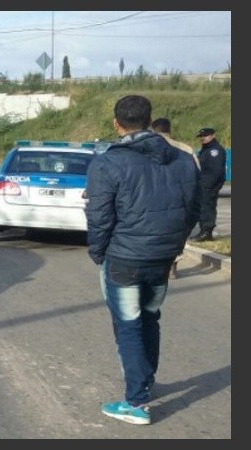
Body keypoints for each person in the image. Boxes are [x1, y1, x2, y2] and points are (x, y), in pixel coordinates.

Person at [85, 95, 200, 425]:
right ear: (150, 121)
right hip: (163, 256)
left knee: (129, 324)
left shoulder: (108, 162)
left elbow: (99, 216)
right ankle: (144, 381)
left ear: (116, 124)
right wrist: (176, 244)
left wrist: (98, 252)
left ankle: (136, 402)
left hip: (125, 256)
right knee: (149, 318)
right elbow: (193, 208)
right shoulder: (181, 159)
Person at [150, 117, 200, 278]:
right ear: (170, 131)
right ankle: (173, 264)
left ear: (153, 130)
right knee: (177, 234)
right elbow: (197, 177)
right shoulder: (186, 149)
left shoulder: (146, 147)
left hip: (153, 199)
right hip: (180, 201)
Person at [191, 127, 226, 242]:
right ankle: (204, 231)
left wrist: (206, 185)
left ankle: (206, 232)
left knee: (207, 208)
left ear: (212, 135)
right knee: (203, 207)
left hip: (209, 185)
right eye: (201, 136)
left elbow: (216, 171)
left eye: (205, 136)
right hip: (203, 183)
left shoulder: (215, 150)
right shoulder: (206, 149)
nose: (202, 138)